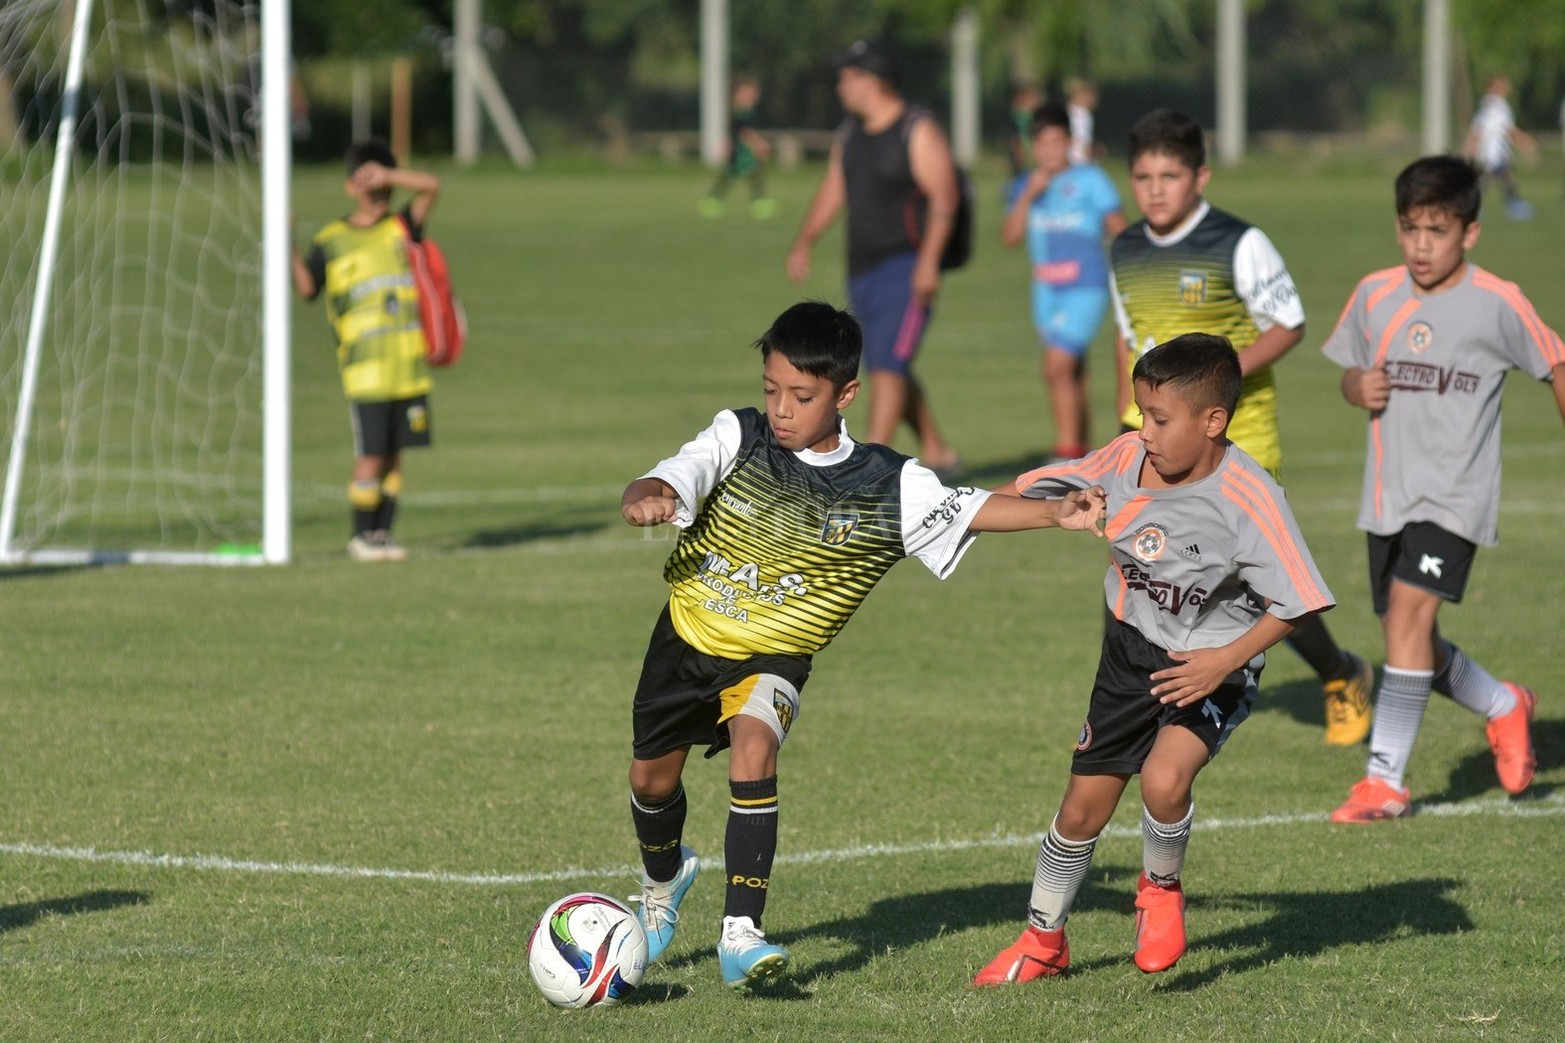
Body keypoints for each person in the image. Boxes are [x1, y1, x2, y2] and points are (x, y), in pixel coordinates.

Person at [620, 301, 1106, 989]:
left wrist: (1054, 512)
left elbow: (969, 506)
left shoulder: (886, 481)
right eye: (771, 389)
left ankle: (740, 933)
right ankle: (663, 881)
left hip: (774, 656)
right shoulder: (740, 436)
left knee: (754, 744)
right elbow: (678, 472)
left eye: (801, 395)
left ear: (846, 394)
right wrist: (650, 491)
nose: (781, 409)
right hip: (686, 640)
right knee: (651, 780)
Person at [975, 333, 1336, 984]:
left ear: (1212, 421)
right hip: (1128, 651)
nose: (1144, 431)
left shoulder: (1248, 497)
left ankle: (1159, 889)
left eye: (1160, 419)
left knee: (1165, 779)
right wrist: (954, 517)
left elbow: (1299, 601)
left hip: (1209, 660)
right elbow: (1029, 489)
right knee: (1081, 808)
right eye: (1141, 413)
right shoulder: (1121, 458)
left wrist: (1222, 661)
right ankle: (1041, 941)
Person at [1108, 108, 1374, 746]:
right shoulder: (1125, 248)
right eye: (1142, 176)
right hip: (1151, 443)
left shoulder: (1237, 242)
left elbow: (1289, 323)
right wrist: (1124, 424)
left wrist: (1213, 380)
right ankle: (1148, 704)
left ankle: (1339, 672)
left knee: (1256, 580)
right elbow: (1128, 339)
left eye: (1169, 175)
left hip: (1238, 438)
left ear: (1199, 176)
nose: (1155, 189)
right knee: (1144, 573)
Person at [1321, 155, 1562, 822]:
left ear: (1469, 233)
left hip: (1455, 496)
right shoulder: (1374, 293)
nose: (1420, 245)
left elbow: (1555, 362)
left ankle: (1384, 781)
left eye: (1436, 230)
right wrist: (1354, 387)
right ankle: (1502, 703)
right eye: (1408, 228)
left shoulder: (1497, 300)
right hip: (1386, 496)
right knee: (1410, 641)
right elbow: (1347, 370)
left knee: (1406, 619)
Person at [786, 40, 962, 478]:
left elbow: (945, 198)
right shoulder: (850, 135)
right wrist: (806, 239)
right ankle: (938, 450)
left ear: (872, 80)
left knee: (888, 364)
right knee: (886, 360)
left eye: (847, 76)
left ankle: (866, 466)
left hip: (906, 266)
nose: (840, 85)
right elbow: (834, 189)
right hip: (861, 270)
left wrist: (928, 262)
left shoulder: (917, 129)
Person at [292, 139, 441, 562]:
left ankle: (382, 535)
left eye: (385, 186)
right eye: (369, 183)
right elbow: (307, 287)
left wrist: (390, 173)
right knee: (371, 455)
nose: (379, 193)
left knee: (396, 457)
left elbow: (431, 186)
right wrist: (287, 244)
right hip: (366, 373)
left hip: (408, 366)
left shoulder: (401, 227)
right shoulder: (333, 238)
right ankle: (360, 535)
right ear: (350, 187)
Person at [1001, 101, 1126, 461]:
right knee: (1073, 374)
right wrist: (1027, 195)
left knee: (1055, 367)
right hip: (1046, 292)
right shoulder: (1027, 185)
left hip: (1085, 287)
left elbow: (1119, 226)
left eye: (1057, 142)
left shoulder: (1090, 179)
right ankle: (1086, 456)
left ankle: (1067, 455)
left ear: (1069, 141)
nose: (1049, 151)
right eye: (1041, 143)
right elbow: (1009, 238)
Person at [700, 76, 776, 220]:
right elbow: (743, 132)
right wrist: (758, 143)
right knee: (735, 174)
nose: (753, 95)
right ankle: (714, 199)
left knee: (750, 174)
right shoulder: (738, 111)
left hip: (745, 148)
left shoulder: (748, 110)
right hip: (741, 149)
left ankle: (758, 201)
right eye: (749, 92)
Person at [1464, 74, 1536, 220]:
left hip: (1493, 152)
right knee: (1490, 179)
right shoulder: (1497, 106)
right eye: (1502, 83)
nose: (1507, 86)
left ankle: (1513, 205)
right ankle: (1470, 206)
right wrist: (1526, 141)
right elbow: (1507, 129)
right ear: (1493, 87)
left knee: (1501, 177)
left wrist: (1471, 146)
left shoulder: (1488, 105)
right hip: (1494, 151)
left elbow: (1478, 128)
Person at [1006, 83, 1045, 178]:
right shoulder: (1021, 116)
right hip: (1026, 149)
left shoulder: (1029, 115)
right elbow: (1016, 136)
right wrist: (1018, 153)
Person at [1064, 77, 1098, 166]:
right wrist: (1089, 162)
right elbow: (1083, 142)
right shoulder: (1083, 115)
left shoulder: (1067, 110)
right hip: (1079, 161)